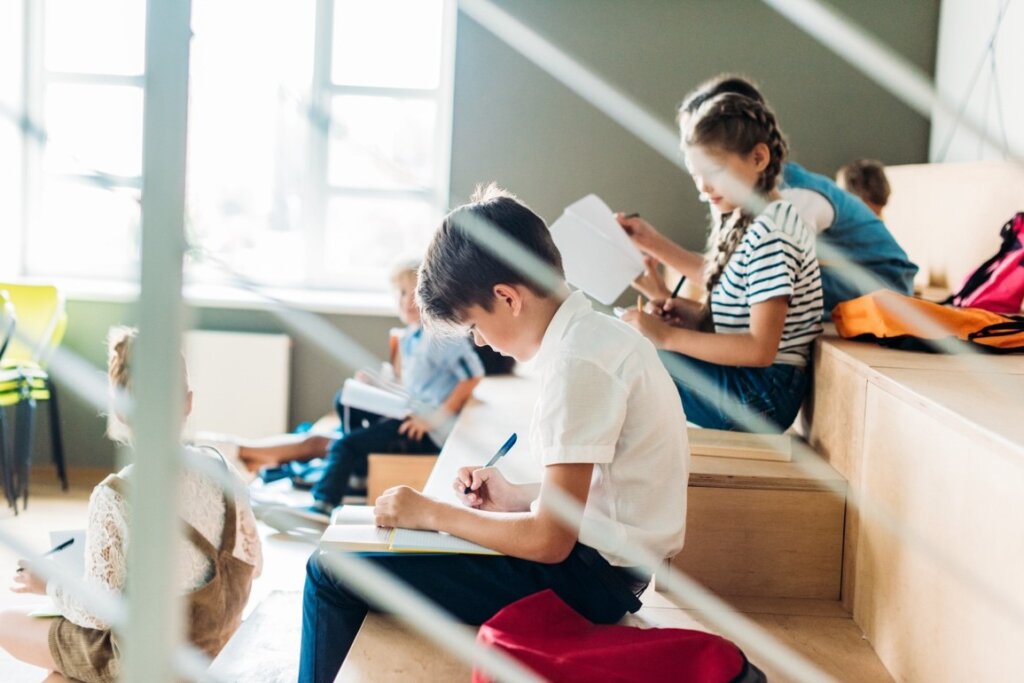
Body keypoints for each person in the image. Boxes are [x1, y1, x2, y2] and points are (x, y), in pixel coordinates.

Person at [297, 184, 689, 683]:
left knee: (329, 570)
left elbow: (549, 542)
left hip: (586, 584)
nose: (479, 340)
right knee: (364, 545)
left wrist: (433, 512)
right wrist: (516, 496)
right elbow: (606, 486)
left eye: (474, 326)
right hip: (605, 570)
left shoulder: (577, 364)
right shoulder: (601, 339)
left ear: (507, 297)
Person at [0, 327, 262, 683]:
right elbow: (255, 564)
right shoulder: (224, 470)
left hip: (146, 664)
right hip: (217, 649)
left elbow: (97, 613)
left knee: (8, 625)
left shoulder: (117, 495)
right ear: (188, 402)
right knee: (60, 673)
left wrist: (46, 584)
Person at [618, 93, 823, 432]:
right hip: (754, 386)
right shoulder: (758, 221)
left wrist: (666, 336)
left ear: (758, 158)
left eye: (712, 171)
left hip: (761, 398)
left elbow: (760, 349)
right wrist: (691, 316)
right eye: (695, 174)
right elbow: (737, 290)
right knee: (626, 346)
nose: (702, 188)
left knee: (623, 353)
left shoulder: (773, 234)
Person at [649, 75, 916, 319]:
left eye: (697, 134)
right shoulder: (743, 190)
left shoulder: (789, 199)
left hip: (887, 285)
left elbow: (740, 285)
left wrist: (652, 244)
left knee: (758, 282)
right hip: (842, 274)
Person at [289, 260, 485, 523]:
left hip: (424, 430)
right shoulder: (411, 337)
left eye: (413, 292)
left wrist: (433, 420)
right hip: (410, 411)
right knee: (346, 400)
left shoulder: (439, 336)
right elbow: (414, 388)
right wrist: (377, 386)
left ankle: (323, 503)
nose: (406, 301)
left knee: (345, 444)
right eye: (401, 293)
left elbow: (473, 377)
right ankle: (358, 468)